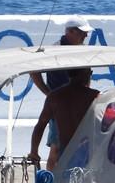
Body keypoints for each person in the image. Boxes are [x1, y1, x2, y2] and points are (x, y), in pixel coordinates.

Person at [30, 16, 94, 167]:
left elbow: (87, 76)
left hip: (78, 104)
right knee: (57, 146)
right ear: (70, 32)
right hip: (59, 105)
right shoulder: (54, 50)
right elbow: (34, 71)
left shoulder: (81, 51)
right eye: (82, 32)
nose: (86, 35)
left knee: (79, 146)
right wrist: (49, 94)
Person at [29, 68, 98, 169]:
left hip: (64, 153)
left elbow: (40, 125)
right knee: (56, 151)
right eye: (90, 73)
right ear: (85, 74)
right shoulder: (94, 96)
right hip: (85, 154)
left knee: (56, 150)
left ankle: (53, 182)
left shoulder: (54, 97)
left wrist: (34, 151)